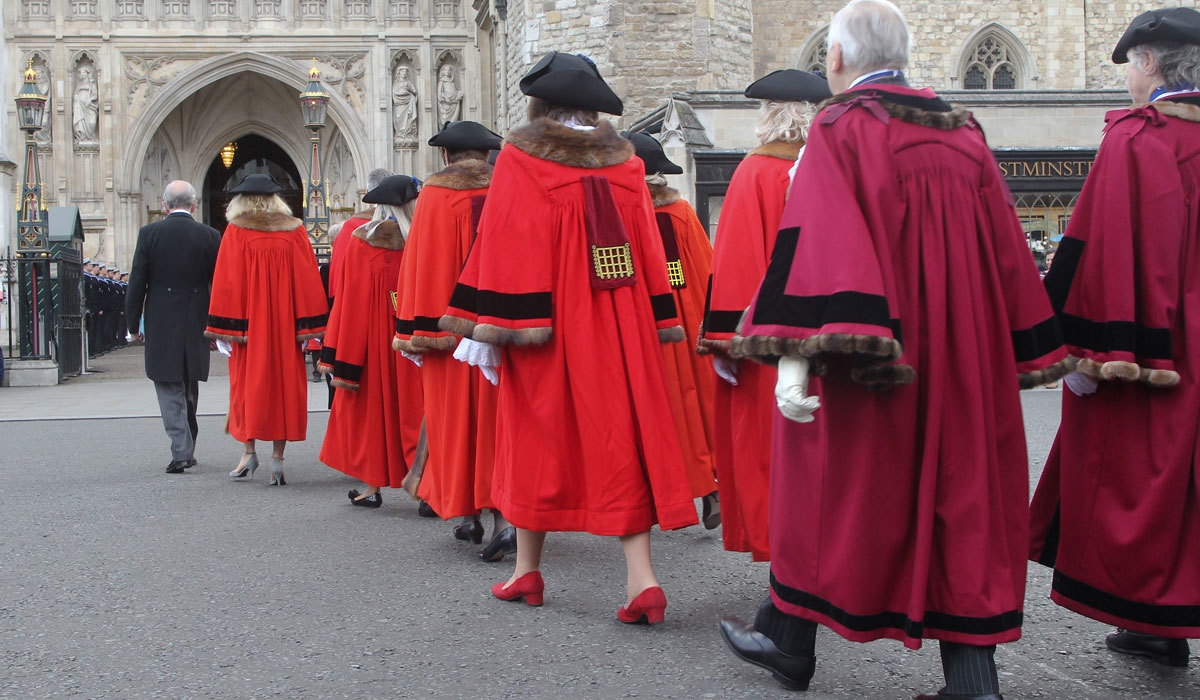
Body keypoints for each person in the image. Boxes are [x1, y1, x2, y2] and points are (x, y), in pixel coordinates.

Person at [718, 2, 1070, 696]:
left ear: (838, 61)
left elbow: (816, 242)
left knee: (828, 493)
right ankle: (973, 680)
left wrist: (794, 358)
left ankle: (789, 642)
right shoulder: (965, 133)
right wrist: (1020, 352)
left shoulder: (842, 127)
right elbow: (1008, 253)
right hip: (964, 359)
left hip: (875, 360)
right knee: (961, 501)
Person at [440, 51, 698, 621]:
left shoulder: (521, 162)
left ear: (540, 107)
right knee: (619, 439)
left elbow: (505, 242)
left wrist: (494, 327)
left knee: (533, 437)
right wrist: (658, 319)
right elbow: (651, 253)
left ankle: (526, 572)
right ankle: (641, 581)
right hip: (620, 326)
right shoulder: (628, 167)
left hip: (547, 324)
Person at [1029, 6, 1200, 669]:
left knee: (1142, 484)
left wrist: (1078, 348)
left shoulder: (1137, 139)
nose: (1128, 78)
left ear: (1152, 62)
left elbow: (1096, 249)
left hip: (1157, 346)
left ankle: (1155, 621)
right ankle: (1160, 627)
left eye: (1131, 64)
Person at [698, 68, 830, 561]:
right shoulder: (832, 168)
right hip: (831, 334)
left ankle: (787, 567)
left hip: (769, 339)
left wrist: (724, 339)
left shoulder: (755, 172)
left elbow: (735, 263)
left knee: (768, 455)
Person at [393, 120, 513, 558]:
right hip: (502, 331)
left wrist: (416, 333)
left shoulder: (436, 197)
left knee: (455, 425)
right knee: (501, 426)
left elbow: (420, 266)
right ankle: (507, 517)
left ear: (446, 156)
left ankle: (468, 516)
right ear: (486, 156)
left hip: (450, 333)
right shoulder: (509, 191)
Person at [205, 173, 329, 486]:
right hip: (285, 327)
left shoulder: (236, 231)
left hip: (250, 327)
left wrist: (226, 329)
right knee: (284, 389)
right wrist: (308, 328)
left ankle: (248, 453)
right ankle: (278, 459)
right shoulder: (296, 231)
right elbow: (307, 281)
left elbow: (227, 283)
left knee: (247, 388)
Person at [625, 130, 720, 527]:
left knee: (649, 409)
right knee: (691, 404)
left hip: (644, 319)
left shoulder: (626, 212)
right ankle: (708, 485)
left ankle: (652, 496)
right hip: (685, 317)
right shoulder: (680, 211)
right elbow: (705, 266)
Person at [319, 175, 424, 508]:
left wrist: (344, 354)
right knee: (420, 412)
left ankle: (371, 485)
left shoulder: (361, 242)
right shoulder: (422, 239)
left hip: (378, 341)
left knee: (373, 412)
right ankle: (427, 487)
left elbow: (350, 301)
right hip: (418, 337)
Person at [126, 181, 221, 474]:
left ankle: (181, 451)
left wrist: (132, 325)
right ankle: (187, 445)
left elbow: (137, 282)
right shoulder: (209, 235)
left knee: (169, 385)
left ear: (164, 205)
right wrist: (219, 326)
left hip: (161, 317)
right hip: (197, 317)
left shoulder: (149, 234)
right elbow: (219, 285)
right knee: (188, 384)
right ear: (193, 205)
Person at [330, 168, 393, 303]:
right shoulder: (406, 223)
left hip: (362, 302)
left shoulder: (351, 228)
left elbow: (338, 280)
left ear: (367, 193)